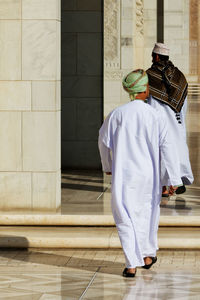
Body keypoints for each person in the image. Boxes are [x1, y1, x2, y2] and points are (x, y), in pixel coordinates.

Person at [98, 69, 182, 277]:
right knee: (148, 215)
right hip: (148, 176)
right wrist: (173, 179)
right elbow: (167, 147)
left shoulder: (116, 115)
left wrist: (107, 166)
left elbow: (103, 142)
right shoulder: (155, 115)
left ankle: (131, 264)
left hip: (123, 176)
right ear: (144, 89)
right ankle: (147, 255)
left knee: (124, 217)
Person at [147, 43, 194, 197]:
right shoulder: (179, 75)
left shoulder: (149, 75)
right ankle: (174, 183)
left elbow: (146, 100)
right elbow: (184, 101)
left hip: (158, 121)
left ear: (157, 56)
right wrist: (180, 119)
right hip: (176, 121)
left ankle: (164, 186)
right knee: (176, 149)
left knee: (160, 151)